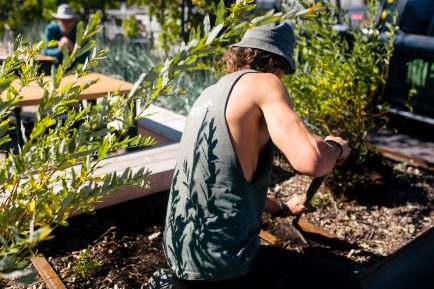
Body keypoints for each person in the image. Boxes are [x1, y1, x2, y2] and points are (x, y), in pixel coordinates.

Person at [162, 22, 361, 289]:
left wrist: (281, 208)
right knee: (344, 281)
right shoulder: (265, 82)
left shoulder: (209, 95)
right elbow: (313, 160)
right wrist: (336, 148)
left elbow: (224, 182)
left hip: (182, 260)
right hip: (223, 267)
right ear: (279, 64)